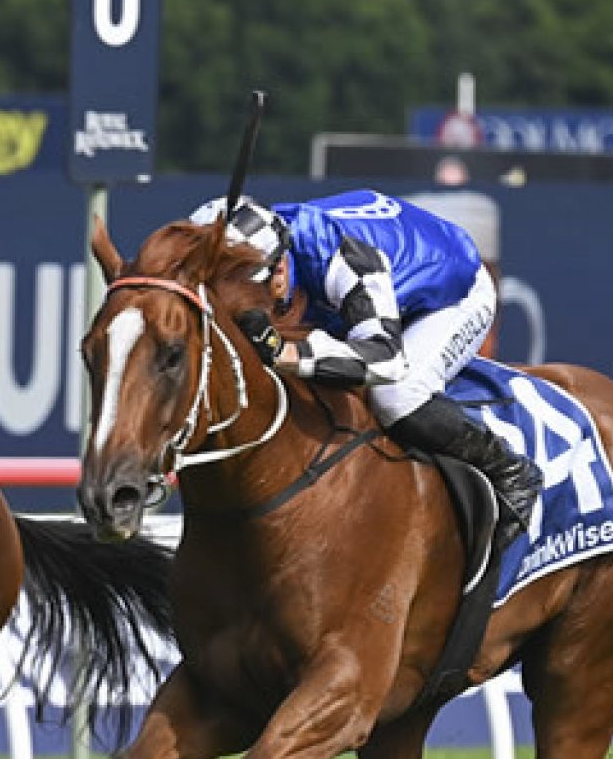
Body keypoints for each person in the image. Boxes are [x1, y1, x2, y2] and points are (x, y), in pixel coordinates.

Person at [196, 189, 543, 547]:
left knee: (395, 396)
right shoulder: (265, 245)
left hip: (452, 293)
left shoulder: (342, 258)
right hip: (379, 288)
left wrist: (285, 352)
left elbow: (383, 359)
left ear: (280, 267)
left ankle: (510, 471)